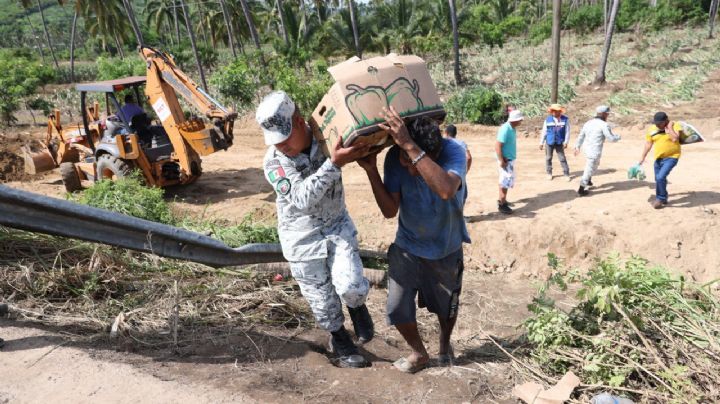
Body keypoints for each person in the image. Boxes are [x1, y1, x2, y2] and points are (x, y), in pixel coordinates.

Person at [256, 91, 374, 368]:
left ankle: (357, 306)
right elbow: (301, 198)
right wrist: (334, 163)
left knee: (352, 286)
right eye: (275, 141)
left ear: (298, 121)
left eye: (284, 138)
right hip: (302, 239)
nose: (281, 146)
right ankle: (340, 340)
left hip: (336, 227)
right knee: (323, 303)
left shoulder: (327, 137)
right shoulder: (274, 161)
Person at [358, 106, 470, 373]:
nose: (407, 168)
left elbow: (445, 190)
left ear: (434, 154)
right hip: (407, 246)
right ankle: (420, 353)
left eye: (413, 161)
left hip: (446, 246)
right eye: (404, 159)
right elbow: (389, 211)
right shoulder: (396, 157)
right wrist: (372, 171)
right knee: (397, 307)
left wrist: (409, 146)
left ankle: (444, 343)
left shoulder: (454, 151)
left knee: (447, 309)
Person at [638, 111, 682, 209]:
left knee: (660, 177)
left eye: (659, 123)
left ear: (666, 120)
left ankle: (660, 198)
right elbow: (648, 144)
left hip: (672, 157)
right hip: (658, 158)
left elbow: (675, 138)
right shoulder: (652, 129)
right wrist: (643, 157)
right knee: (658, 179)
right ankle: (664, 198)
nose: (657, 125)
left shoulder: (675, 125)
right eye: (656, 123)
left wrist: (669, 128)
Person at [574, 105, 620, 196]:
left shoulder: (588, 123)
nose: (607, 116)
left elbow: (581, 136)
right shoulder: (604, 125)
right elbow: (611, 139)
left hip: (586, 148)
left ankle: (588, 180)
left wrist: (577, 146)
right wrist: (618, 137)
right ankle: (581, 189)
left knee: (594, 165)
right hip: (594, 150)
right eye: (607, 114)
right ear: (603, 114)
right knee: (589, 168)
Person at [496, 110, 524, 214]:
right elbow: (497, 145)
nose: (520, 122)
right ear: (515, 120)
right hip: (505, 161)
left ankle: (501, 200)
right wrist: (501, 160)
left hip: (509, 160)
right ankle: (502, 205)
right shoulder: (505, 129)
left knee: (504, 181)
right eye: (520, 120)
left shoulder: (512, 128)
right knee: (505, 182)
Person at [539, 104, 571, 181]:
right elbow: (544, 131)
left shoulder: (565, 120)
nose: (554, 112)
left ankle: (566, 174)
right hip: (549, 142)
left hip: (559, 142)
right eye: (553, 111)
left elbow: (567, 131)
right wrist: (541, 142)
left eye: (556, 111)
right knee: (548, 158)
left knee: (562, 158)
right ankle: (549, 173)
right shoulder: (547, 120)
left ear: (560, 111)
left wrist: (566, 141)